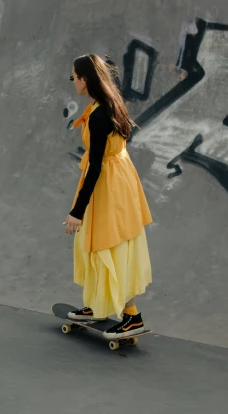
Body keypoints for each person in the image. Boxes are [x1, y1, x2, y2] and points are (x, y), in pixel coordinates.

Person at [64, 54, 153, 339]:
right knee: (93, 241)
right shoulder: (104, 105)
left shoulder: (100, 114)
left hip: (109, 185)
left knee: (108, 245)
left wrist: (76, 210)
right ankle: (96, 304)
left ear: (84, 79)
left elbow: (96, 166)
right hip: (119, 179)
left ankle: (132, 316)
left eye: (73, 77)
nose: (73, 82)